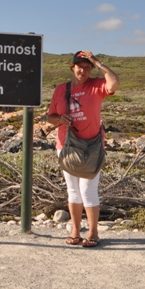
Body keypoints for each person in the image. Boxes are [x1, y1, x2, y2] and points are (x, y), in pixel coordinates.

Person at [47, 50, 120, 247]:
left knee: (88, 190)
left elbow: (114, 83)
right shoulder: (61, 89)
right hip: (67, 145)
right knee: (73, 191)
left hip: (92, 147)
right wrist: (59, 119)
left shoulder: (96, 85)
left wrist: (98, 62)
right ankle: (76, 231)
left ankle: (94, 233)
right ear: (73, 68)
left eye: (87, 67)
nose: (84, 70)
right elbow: (50, 116)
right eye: (80, 66)